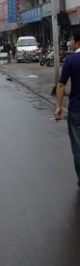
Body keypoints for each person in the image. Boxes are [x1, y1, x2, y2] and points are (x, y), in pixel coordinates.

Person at [55, 30, 80, 188]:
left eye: (71, 39)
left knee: (77, 146)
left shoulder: (71, 61)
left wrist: (58, 106)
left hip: (76, 109)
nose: (70, 42)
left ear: (77, 42)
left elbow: (61, 85)